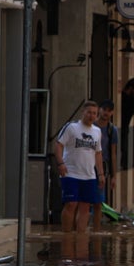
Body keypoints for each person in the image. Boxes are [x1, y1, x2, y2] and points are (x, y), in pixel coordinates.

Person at [54, 100, 105, 233]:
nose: (91, 116)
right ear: (83, 112)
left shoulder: (97, 131)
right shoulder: (71, 127)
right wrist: (60, 163)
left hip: (89, 175)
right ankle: (67, 235)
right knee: (71, 204)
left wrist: (101, 173)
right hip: (70, 173)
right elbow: (59, 144)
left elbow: (98, 153)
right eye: (89, 112)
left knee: (85, 206)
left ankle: (81, 237)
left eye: (94, 113)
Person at [96, 100, 119, 216]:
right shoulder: (91, 126)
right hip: (87, 166)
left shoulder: (112, 130)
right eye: (104, 109)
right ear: (99, 109)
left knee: (99, 200)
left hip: (103, 167)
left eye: (109, 111)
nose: (106, 113)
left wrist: (114, 176)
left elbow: (113, 153)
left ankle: (96, 227)